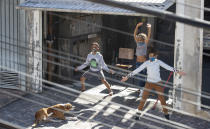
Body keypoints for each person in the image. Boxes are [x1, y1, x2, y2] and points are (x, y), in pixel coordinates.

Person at [121, 48, 186, 120]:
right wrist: (127, 77)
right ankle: (138, 114)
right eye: (149, 56)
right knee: (143, 98)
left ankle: (166, 113)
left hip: (158, 83)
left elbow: (168, 67)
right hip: (148, 83)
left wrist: (177, 71)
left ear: (156, 56)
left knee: (162, 99)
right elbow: (137, 70)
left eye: (152, 56)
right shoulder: (147, 63)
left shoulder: (158, 62)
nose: (150, 57)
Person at [134, 22, 151, 97]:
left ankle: (142, 90)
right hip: (138, 63)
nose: (139, 39)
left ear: (143, 39)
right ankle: (143, 89)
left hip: (144, 63)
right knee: (141, 77)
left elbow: (149, 36)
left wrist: (149, 29)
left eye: (141, 38)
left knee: (143, 77)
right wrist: (137, 26)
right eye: (139, 38)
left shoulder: (145, 44)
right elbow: (134, 34)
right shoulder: (137, 43)